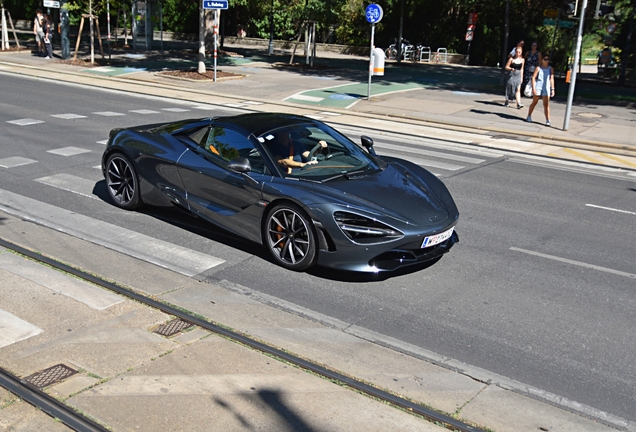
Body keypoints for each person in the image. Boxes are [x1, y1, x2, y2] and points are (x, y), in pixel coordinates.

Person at [526, 54, 555, 126]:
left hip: (546, 87)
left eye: (547, 59)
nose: (546, 61)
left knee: (546, 104)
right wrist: (533, 88)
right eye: (545, 59)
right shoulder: (538, 68)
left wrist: (552, 89)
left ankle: (548, 120)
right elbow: (533, 78)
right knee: (534, 102)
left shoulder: (550, 68)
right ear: (542, 60)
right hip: (538, 86)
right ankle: (529, 115)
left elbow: (552, 78)